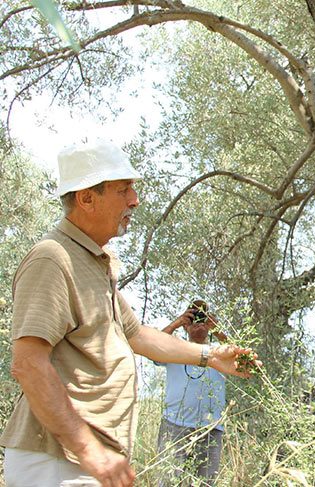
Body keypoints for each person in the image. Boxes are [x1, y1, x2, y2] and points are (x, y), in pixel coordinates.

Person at [0, 140, 260, 487]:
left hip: (81, 459)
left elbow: (137, 336)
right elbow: (28, 364)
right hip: (58, 461)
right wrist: (90, 450)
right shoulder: (53, 258)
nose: (134, 201)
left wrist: (211, 355)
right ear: (86, 198)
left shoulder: (93, 264)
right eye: (123, 191)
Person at [156, 300, 229, 486]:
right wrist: (176, 323)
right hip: (174, 426)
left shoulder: (220, 353)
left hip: (210, 430)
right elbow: (154, 348)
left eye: (203, 317)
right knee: (167, 482)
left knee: (205, 483)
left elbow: (242, 359)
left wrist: (218, 331)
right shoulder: (174, 349)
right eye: (194, 316)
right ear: (186, 325)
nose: (199, 322)